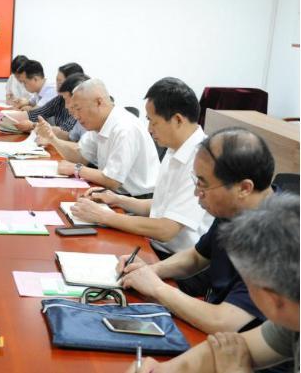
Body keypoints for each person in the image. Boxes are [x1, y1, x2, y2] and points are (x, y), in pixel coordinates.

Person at [117, 128, 276, 335]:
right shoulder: (235, 207)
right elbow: (197, 256)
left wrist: (157, 288)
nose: (196, 193)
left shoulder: (279, 238)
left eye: (203, 184)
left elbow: (222, 321)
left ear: (244, 188)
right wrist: (151, 270)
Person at [129, 194, 299, 373]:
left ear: (272, 298)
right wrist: (163, 369)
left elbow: (231, 356)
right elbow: (229, 348)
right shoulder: (289, 320)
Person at [71, 77, 213, 255]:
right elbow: (160, 206)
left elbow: (166, 229)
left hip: (175, 257)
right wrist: (116, 199)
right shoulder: (174, 149)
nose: (149, 129)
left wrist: (104, 216)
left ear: (177, 120)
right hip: (155, 243)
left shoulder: (201, 160)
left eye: (153, 122)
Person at [41, 78, 159, 196]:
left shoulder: (124, 128)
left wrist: (76, 169)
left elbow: (113, 180)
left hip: (137, 199)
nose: (76, 116)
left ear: (98, 102)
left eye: (78, 109)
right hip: (113, 194)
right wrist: (52, 139)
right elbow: (80, 156)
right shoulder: (99, 125)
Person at [13, 62, 84, 132]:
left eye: (60, 82)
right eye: (56, 81)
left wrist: (34, 125)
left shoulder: (80, 104)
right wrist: (9, 116)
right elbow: (38, 113)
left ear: (72, 83)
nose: (57, 86)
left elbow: (67, 131)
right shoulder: (59, 98)